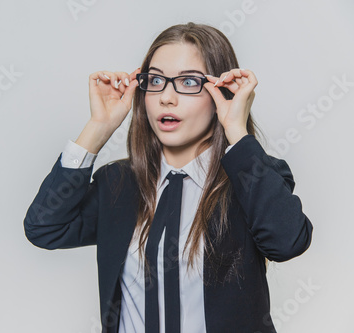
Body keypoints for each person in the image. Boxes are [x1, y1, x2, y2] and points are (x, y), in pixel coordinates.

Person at [23, 22, 313, 333]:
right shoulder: (119, 183)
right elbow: (44, 228)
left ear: (222, 93)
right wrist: (97, 129)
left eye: (188, 81)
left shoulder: (250, 177)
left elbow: (287, 243)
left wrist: (237, 134)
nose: (167, 97)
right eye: (156, 80)